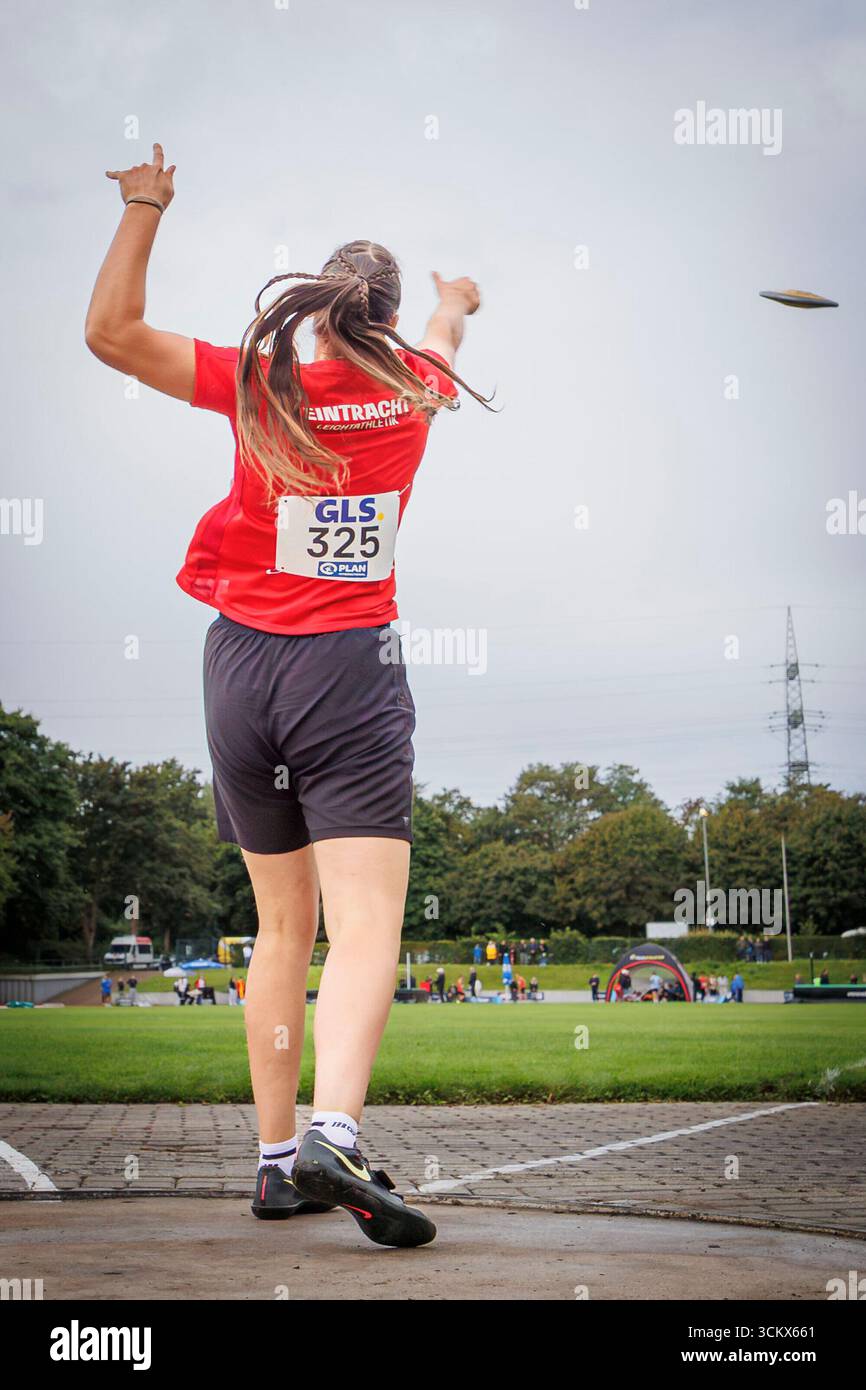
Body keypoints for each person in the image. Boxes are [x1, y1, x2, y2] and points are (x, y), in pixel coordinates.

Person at [87, 143, 488, 1247]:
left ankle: (272, 1163)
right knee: (366, 925)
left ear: (317, 316)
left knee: (278, 928)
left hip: (237, 667)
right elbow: (445, 341)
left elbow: (111, 335)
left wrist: (145, 207)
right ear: (390, 322)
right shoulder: (417, 386)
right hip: (347, 669)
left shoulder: (265, 379)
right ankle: (336, 1129)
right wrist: (456, 302)